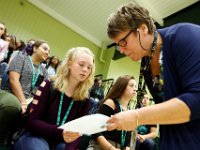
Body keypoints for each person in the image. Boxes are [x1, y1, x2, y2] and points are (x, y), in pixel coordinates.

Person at [106, 2, 200, 150]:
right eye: (118, 45)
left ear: (142, 29)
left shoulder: (185, 35)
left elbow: (197, 98)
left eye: (123, 42)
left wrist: (137, 116)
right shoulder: (145, 63)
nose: (122, 50)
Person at [13, 47, 95, 150]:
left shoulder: (85, 99)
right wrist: (61, 132)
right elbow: (32, 123)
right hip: (35, 136)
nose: (85, 70)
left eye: (89, 67)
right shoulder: (49, 85)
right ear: (69, 64)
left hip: (61, 142)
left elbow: (78, 134)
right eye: (81, 64)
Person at [88, 75, 137, 150]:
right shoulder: (110, 103)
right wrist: (110, 148)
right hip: (101, 146)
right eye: (131, 86)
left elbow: (127, 138)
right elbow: (95, 130)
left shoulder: (130, 111)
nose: (135, 89)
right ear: (121, 87)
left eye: (136, 86)